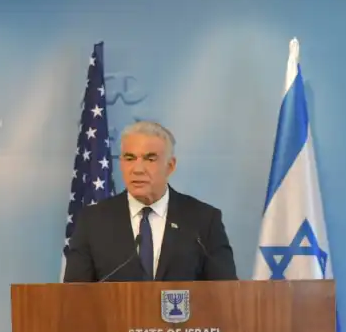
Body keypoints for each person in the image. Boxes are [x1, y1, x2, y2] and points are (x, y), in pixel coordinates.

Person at [63, 120, 237, 282]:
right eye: (130, 158)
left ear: (170, 166)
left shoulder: (203, 220)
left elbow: (226, 294)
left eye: (150, 159)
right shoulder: (93, 221)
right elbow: (74, 297)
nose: (137, 169)